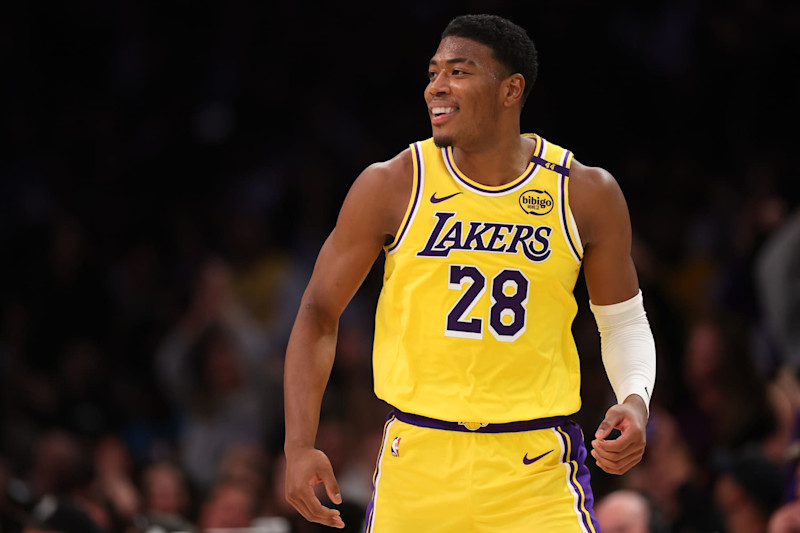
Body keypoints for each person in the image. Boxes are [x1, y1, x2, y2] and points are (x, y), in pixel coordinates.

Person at [284, 14, 656, 532]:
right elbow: (318, 311)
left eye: (459, 72)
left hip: (536, 468)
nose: (436, 86)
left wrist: (635, 400)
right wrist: (299, 444)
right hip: (417, 458)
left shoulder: (583, 191)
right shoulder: (392, 184)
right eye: (433, 72)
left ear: (511, 89)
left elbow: (623, 322)